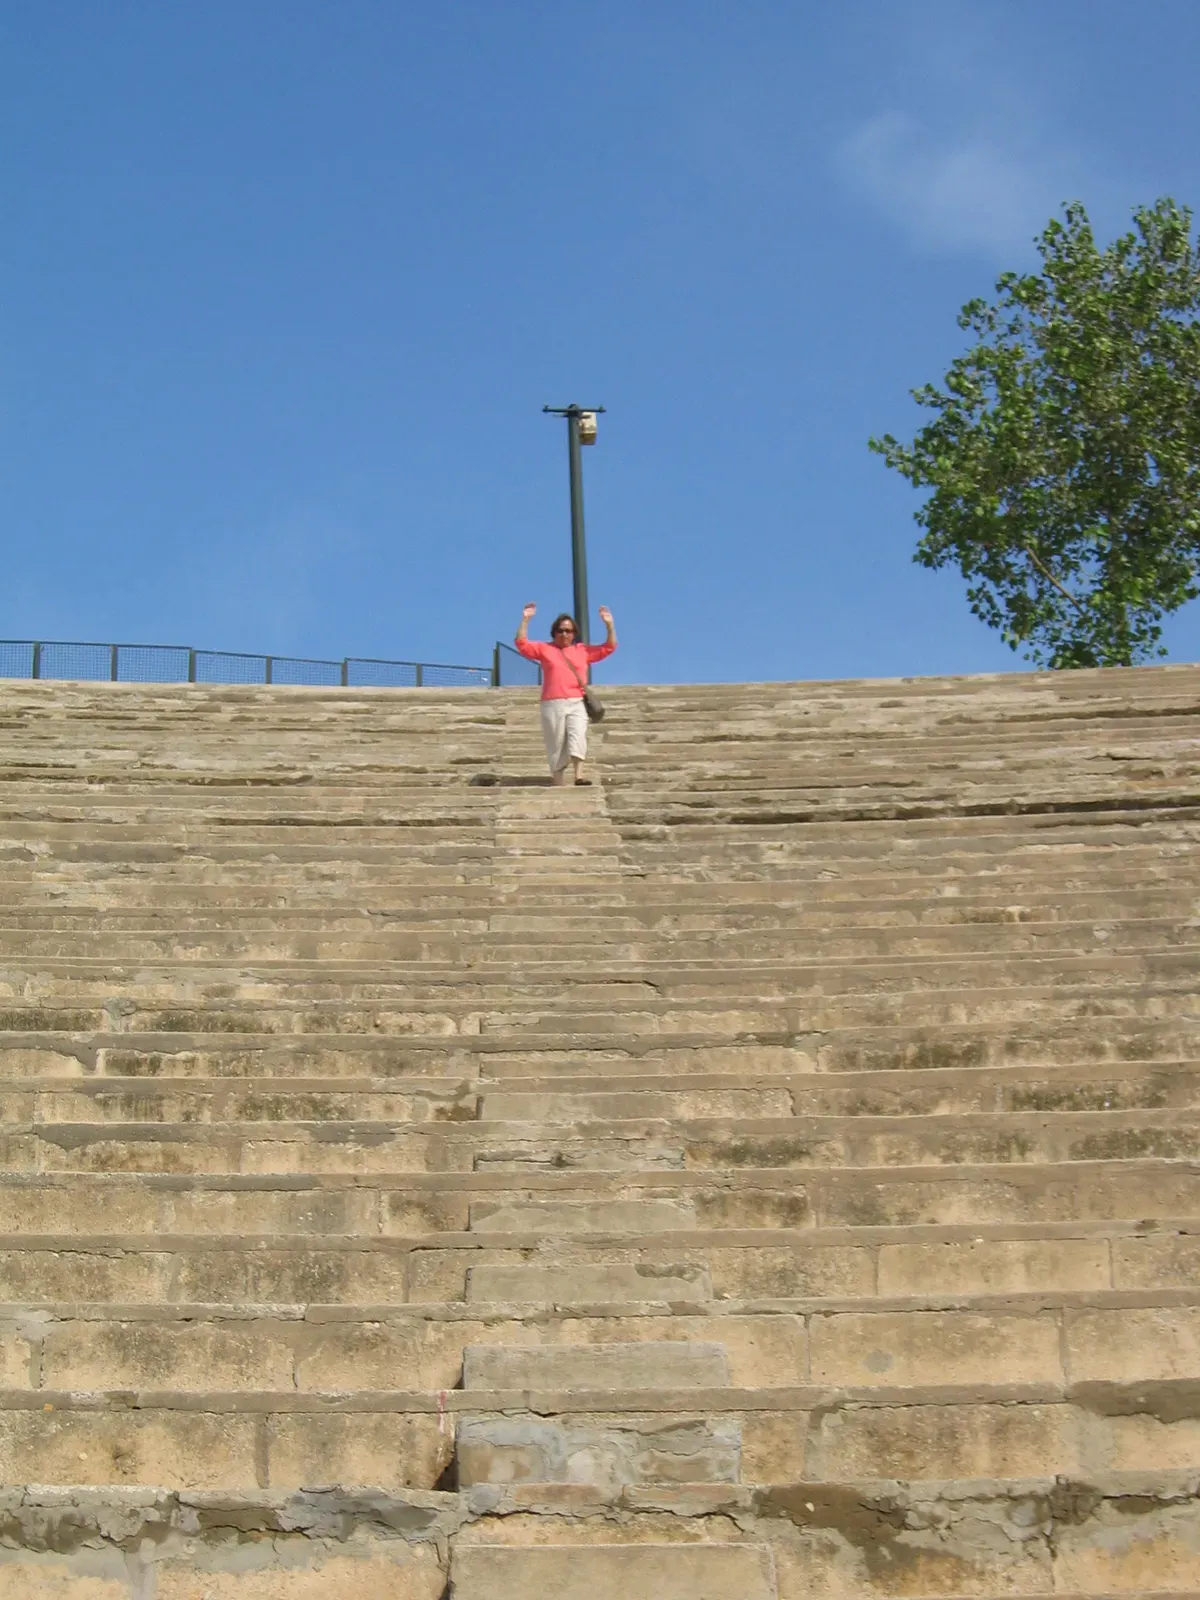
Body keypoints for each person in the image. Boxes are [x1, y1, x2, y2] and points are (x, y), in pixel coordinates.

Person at [514, 603, 617, 785]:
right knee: (556, 742)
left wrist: (609, 625)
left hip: (577, 700)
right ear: (554, 632)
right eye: (561, 631)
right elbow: (521, 644)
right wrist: (526, 619)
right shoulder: (545, 649)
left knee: (578, 734)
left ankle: (579, 776)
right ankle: (558, 780)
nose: (565, 634)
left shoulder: (582, 650)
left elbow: (609, 647)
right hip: (552, 702)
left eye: (569, 631)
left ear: (574, 633)